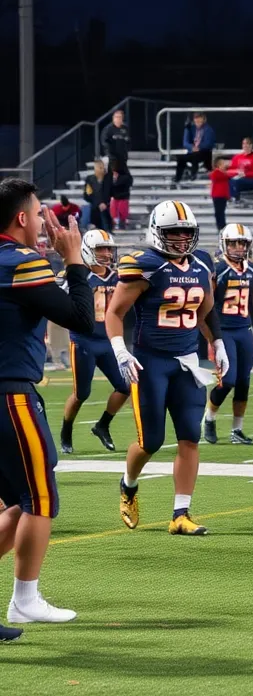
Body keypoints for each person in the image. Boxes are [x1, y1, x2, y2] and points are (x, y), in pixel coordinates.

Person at [0, 179, 94, 634]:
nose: (43, 221)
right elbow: (80, 318)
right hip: (10, 394)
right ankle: (25, 599)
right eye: (38, 213)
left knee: (16, 504)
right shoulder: (20, 262)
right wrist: (73, 259)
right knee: (39, 499)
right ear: (21, 218)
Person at [107, 200, 227, 536]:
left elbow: (206, 311)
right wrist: (120, 349)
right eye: (172, 232)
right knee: (151, 441)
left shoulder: (202, 264)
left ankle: (180, 514)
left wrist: (216, 343)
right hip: (150, 362)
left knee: (190, 436)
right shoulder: (144, 265)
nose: (179, 239)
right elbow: (115, 313)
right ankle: (129, 484)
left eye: (185, 232)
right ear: (157, 232)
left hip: (187, 362)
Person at [56, 229, 128, 454]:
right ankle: (66, 430)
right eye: (101, 249)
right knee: (81, 394)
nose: (106, 253)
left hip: (108, 341)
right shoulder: (77, 275)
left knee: (125, 386)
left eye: (109, 249)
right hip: (84, 341)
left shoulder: (118, 276)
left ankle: (102, 425)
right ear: (87, 251)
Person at [202, 225, 253, 446]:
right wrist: (211, 337)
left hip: (244, 330)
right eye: (233, 243)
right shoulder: (217, 268)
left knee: (243, 382)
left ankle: (237, 430)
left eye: (242, 243)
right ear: (224, 243)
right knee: (228, 380)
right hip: (223, 331)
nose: (238, 247)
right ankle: (209, 418)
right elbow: (207, 304)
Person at [173, 113, 216, 185]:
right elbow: (185, 143)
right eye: (196, 118)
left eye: (199, 118)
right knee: (181, 158)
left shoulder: (208, 129)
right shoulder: (192, 128)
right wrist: (186, 129)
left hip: (204, 152)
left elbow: (209, 144)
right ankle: (178, 177)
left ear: (204, 119)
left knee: (196, 155)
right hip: (193, 151)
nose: (197, 120)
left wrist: (198, 148)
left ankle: (193, 174)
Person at [82, 159, 111, 232]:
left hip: (106, 205)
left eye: (101, 167)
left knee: (105, 215)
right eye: (97, 167)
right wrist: (99, 203)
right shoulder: (90, 179)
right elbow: (87, 194)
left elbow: (110, 193)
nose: (100, 169)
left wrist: (104, 203)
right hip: (95, 206)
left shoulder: (108, 179)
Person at [108, 162, 132, 229]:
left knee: (122, 209)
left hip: (123, 196)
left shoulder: (126, 177)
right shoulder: (111, 176)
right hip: (115, 197)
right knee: (114, 207)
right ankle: (116, 220)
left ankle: (122, 220)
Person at [209, 157, 230, 230]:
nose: (225, 165)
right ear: (218, 165)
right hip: (217, 196)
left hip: (223, 196)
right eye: (223, 163)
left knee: (221, 212)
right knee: (219, 212)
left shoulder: (224, 173)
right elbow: (225, 176)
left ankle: (222, 226)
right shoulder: (216, 173)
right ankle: (221, 226)